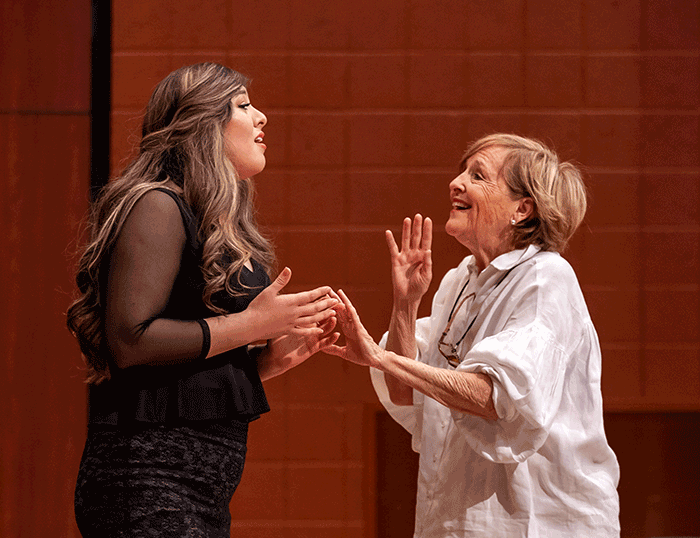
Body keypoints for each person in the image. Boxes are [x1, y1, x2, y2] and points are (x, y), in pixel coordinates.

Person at [66, 62, 340, 537]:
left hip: (197, 488)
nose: (262, 119)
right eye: (244, 106)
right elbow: (132, 340)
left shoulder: (213, 221)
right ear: (202, 125)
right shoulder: (156, 204)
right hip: (146, 482)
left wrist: (265, 363)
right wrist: (253, 327)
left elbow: (183, 376)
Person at [325, 134, 620, 537]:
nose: (456, 182)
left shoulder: (546, 278)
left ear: (522, 209)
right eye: (462, 170)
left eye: (477, 175)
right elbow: (404, 392)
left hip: (537, 525)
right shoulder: (458, 282)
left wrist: (380, 357)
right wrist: (406, 305)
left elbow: (494, 396)